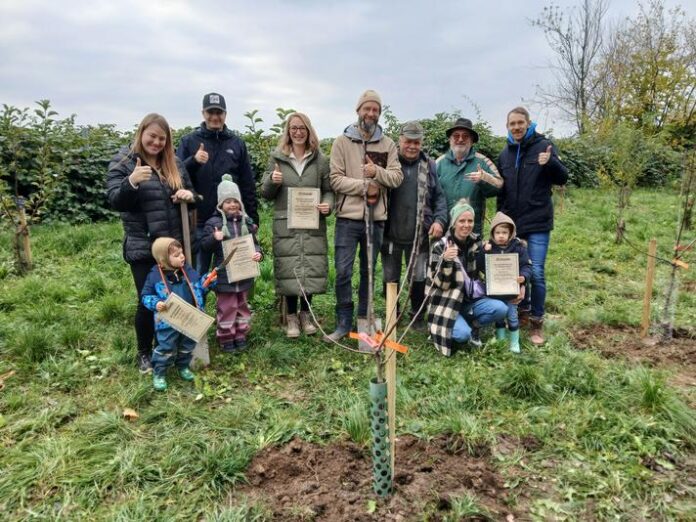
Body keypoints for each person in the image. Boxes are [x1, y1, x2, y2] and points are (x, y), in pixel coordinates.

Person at [106, 113, 196, 373]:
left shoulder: (174, 163)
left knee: (176, 297)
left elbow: (195, 198)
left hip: (173, 247)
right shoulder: (124, 161)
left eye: (161, 138)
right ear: (141, 132)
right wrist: (131, 182)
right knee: (148, 300)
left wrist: (189, 195)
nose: (156, 142)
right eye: (152, 136)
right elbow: (114, 200)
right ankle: (144, 352)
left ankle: (170, 346)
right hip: (143, 246)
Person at [325, 89, 403, 342]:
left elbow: (397, 177)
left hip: (375, 220)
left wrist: (376, 172)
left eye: (375, 110)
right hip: (347, 219)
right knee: (344, 271)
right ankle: (342, 323)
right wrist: (363, 186)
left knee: (369, 271)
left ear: (379, 114)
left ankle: (363, 320)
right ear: (358, 110)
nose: (371, 113)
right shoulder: (341, 142)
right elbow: (335, 180)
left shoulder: (388, 144)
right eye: (367, 108)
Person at [497, 107, 569, 345]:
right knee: (516, 273)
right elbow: (503, 190)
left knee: (536, 272)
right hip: (514, 224)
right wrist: (500, 218)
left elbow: (563, 177)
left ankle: (537, 322)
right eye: (512, 124)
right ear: (507, 127)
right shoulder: (505, 153)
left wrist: (550, 164)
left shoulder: (544, 146)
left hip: (537, 221)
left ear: (528, 123)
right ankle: (521, 314)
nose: (516, 127)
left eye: (520, 123)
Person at [260, 112, 333, 338]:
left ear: (308, 130)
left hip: (311, 223)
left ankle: (306, 314)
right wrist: (273, 182)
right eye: (294, 128)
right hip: (287, 225)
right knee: (290, 267)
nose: (298, 132)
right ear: (288, 131)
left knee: (308, 266)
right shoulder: (278, 158)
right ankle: (291, 317)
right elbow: (265, 192)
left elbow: (329, 189)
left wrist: (327, 205)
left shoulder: (320, 160)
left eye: (302, 128)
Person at [176, 92, 259, 273]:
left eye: (219, 112)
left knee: (235, 271)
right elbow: (174, 175)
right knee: (199, 272)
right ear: (203, 113)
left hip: (233, 220)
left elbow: (247, 183)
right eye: (210, 112)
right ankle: (198, 301)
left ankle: (234, 302)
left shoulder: (236, 143)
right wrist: (193, 161)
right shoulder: (189, 141)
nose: (215, 117)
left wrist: (252, 217)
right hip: (199, 220)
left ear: (225, 114)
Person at [381, 121, 448, 330]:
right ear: (400, 141)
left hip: (419, 235)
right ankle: (394, 313)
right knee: (389, 277)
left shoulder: (429, 165)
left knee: (419, 277)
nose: (412, 146)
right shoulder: (389, 163)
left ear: (421, 143)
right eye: (408, 141)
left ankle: (417, 315)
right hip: (390, 234)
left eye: (416, 142)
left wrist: (439, 220)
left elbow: (439, 197)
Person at [426, 200, 508, 357]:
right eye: (462, 221)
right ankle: (437, 328)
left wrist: (516, 281)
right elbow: (441, 284)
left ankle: (472, 325)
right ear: (454, 223)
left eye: (470, 221)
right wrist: (447, 261)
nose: (466, 225)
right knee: (462, 336)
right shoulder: (440, 247)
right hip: (447, 302)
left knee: (501, 309)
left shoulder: (476, 242)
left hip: (470, 299)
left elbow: (489, 268)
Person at [200, 175, 262, 353]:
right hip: (225, 276)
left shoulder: (247, 223)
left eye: (235, 201)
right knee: (226, 308)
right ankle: (226, 337)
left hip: (244, 274)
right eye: (228, 201)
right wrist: (214, 238)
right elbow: (204, 247)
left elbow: (255, 243)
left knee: (242, 306)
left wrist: (258, 253)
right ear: (220, 204)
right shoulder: (214, 224)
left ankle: (241, 334)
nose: (232, 205)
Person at [141, 238, 211, 391]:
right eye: (177, 255)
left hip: (190, 317)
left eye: (182, 253)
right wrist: (155, 303)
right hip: (167, 322)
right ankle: (159, 373)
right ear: (163, 259)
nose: (182, 257)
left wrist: (207, 281)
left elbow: (199, 286)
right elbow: (145, 295)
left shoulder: (187, 270)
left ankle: (183, 366)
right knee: (166, 346)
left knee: (187, 344)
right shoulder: (154, 275)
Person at [476, 212, 532, 353]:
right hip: (495, 292)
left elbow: (526, 266)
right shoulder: (489, 248)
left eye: (504, 232)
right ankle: (500, 339)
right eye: (498, 232)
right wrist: (483, 252)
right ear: (493, 233)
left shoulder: (519, 248)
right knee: (499, 318)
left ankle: (514, 342)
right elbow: (481, 266)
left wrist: (523, 277)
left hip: (512, 292)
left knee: (512, 317)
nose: (501, 235)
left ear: (511, 233)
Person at [436, 118, 502, 235]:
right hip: (444, 229)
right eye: (456, 136)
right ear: (450, 139)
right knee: (444, 253)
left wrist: (484, 179)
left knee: (472, 253)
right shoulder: (439, 163)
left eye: (465, 136)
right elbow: (428, 194)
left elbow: (499, 185)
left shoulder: (483, 161)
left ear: (472, 141)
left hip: (472, 231)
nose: (460, 139)